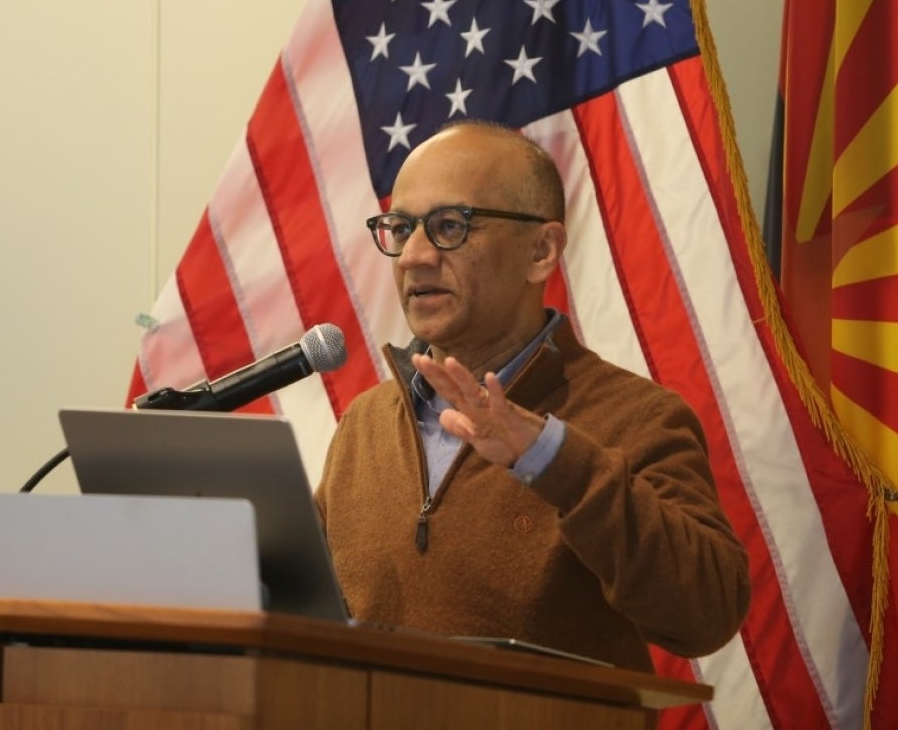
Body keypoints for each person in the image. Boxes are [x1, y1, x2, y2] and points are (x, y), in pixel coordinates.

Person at [316, 120, 749, 673]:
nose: (413, 257)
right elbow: (306, 616)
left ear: (541, 250)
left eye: (450, 225)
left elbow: (707, 613)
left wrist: (554, 460)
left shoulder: (638, 419)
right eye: (401, 229)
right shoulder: (367, 423)